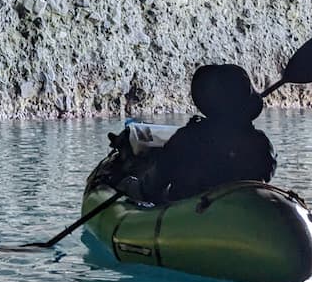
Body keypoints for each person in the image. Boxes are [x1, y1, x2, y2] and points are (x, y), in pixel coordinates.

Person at [99, 64, 276, 204]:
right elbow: (264, 175)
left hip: (192, 219)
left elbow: (151, 188)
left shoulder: (188, 139)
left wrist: (122, 184)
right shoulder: (261, 143)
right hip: (242, 218)